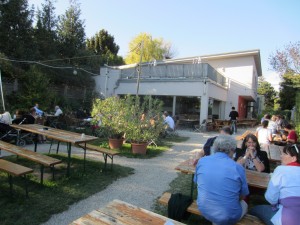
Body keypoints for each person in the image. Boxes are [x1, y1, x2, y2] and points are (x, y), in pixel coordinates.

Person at [194, 135, 249, 225]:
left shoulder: (202, 161)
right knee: (245, 204)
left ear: (215, 147)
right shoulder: (237, 167)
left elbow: (198, 183)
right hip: (227, 215)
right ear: (232, 150)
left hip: (204, 209)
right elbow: (243, 195)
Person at [249, 144, 300, 225]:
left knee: (253, 209)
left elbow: (270, 198)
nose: (281, 156)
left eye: (284, 154)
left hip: (285, 220)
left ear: (294, 158)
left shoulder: (281, 169)